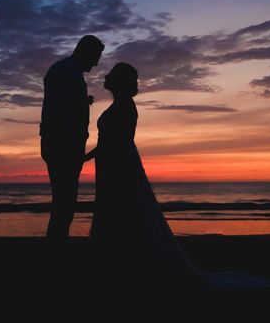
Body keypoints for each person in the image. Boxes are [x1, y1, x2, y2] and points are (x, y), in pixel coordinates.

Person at [84, 62, 209, 286]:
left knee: (123, 210)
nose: (107, 77)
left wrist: (86, 157)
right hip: (113, 163)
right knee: (116, 210)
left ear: (119, 81)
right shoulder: (121, 104)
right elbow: (109, 142)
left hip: (120, 165)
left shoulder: (125, 106)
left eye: (113, 75)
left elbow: (116, 142)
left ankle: (126, 265)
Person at [40, 35, 105, 243]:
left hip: (61, 144)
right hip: (64, 146)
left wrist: (82, 101)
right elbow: (59, 112)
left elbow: (60, 104)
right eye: (96, 56)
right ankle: (57, 244)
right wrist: (73, 145)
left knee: (63, 200)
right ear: (86, 52)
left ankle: (58, 242)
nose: (96, 63)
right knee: (65, 201)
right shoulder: (68, 72)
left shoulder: (64, 70)